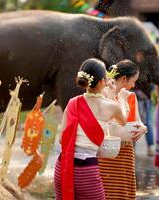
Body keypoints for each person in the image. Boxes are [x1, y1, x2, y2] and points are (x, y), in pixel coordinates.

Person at [54, 58, 126, 200]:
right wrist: (118, 97)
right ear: (101, 82)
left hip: (63, 167)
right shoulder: (112, 107)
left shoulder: (73, 103)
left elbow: (62, 139)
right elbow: (122, 121)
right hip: (86, 171)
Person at [99, 59, 147, 200]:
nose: (134, 85)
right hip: (107, 151)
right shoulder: (103, 94)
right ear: (124, 79)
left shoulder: (131, 97)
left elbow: (138, 121)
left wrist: (144, 128)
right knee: (106, 191)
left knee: (124, 192)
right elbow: (107, 122)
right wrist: (120, 101)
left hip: (126, 151)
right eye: (133, 81)